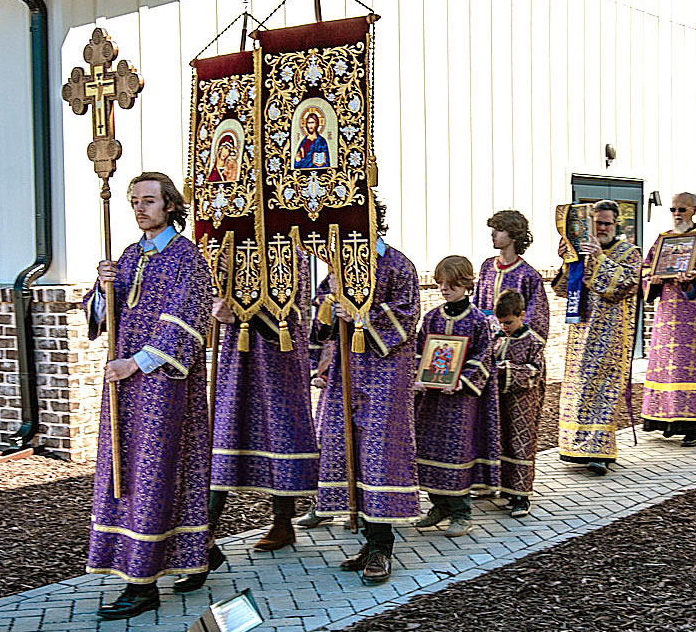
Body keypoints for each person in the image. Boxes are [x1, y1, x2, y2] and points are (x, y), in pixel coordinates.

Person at [83, 172, 213, 620]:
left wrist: (134, 363)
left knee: (154, 475)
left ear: (171, 205)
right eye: (135, 201)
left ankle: (142, 587)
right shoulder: (128, 255)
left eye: (149, 201)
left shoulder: (188, 258)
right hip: (124, 389)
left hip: (163, 389)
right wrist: (103, 289)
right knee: (125, 474)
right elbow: (104, 316)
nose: (140, 208)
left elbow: (187, 323)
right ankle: (194, 551)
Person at [310, 195, 421, 584]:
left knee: (379, 455)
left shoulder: (397, 264)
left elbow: (406, 318)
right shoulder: (338, 266)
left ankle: (381, 547)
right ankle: (366, 537)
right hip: (346, 372)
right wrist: (328, 306)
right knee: (347, 449)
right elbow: (322, 319)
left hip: (385, 375)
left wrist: (360, 315)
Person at [205, 249, 318, 565]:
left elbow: (289, 312)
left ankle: (283, 522)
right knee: (226, 435)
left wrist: (241, 312)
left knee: (281, 436)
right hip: (235, 354)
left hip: (277, 357)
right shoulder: (226, 248)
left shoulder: (288, 250)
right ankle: (205, 531)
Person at [413, 256, 500, 537]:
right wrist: (418, 377)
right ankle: (438, 505)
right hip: (432, 400)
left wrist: (462, 380)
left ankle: (462, 512)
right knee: (429, 449)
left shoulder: (477, 321)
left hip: (461, 401)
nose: (445, 289)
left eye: (451, 284)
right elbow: (419, 350)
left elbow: (484, 356)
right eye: (441, 283)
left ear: (465, 284)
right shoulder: (432, 317)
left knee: (457, 452)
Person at [553, 200, 642, 475]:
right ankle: (574, 448)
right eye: (596, 223)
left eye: (606, 223)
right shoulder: (581, 252)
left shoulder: (629, 252)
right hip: (580, 333)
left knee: (603, 391)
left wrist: (599, 259)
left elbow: (623, 286)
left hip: (611, 337)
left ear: (616, 225)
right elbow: (561, 290)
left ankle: (600, 454)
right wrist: (568, 261)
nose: (601, 228)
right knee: (578, 390)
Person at [640, 192, 696, 447]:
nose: (677, 213)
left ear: (693, 210)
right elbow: (646, 269)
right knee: (667, 369)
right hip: (667, 315)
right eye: (673, 209)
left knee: (691, 368)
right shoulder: (663, 240)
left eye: (682, 209)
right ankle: (666, 422)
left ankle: (692, 427)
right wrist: (652, 279)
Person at [492, 288, 546, 517]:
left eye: (509, 322)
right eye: (501, 322)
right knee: (501, 441)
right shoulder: (496, 338)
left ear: (522, 315)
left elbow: (536, 371)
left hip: (524, 403)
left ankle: (522, 497)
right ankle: (505, 489)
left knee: (521, 444)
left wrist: (507, 371)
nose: (504, 326)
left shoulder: (533, 341)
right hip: (500, 401)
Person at [475, 210, 551, 341]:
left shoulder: (528, 275)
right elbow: (477, 303)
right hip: (485, 341)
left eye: (499, 230)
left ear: (514, 235)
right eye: (493, 229)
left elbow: (537, 317)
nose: (493, 234)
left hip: (512, 345)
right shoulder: (487, 267)